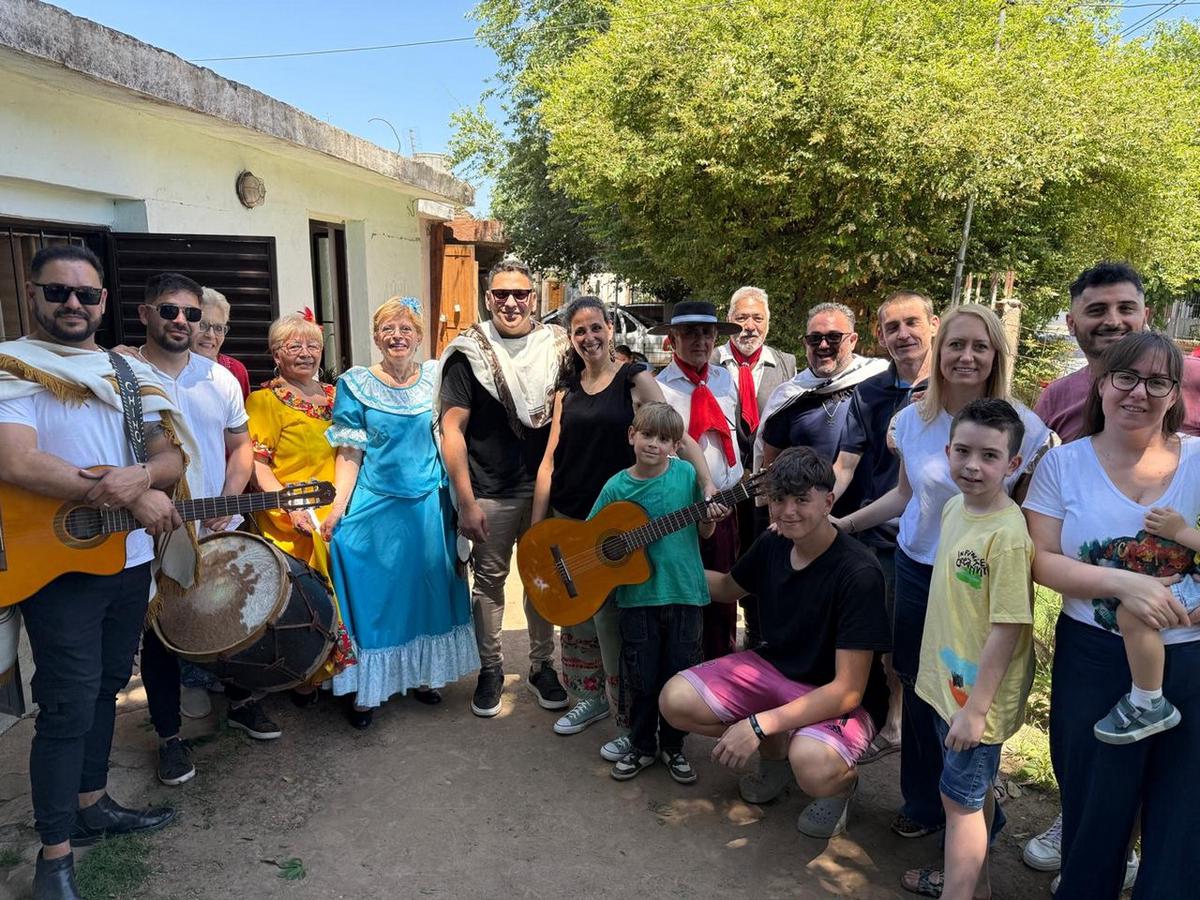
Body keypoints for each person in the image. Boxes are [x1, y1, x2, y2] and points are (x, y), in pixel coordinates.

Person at [0, 245, 192, 900]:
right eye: (59, 293)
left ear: (104, 302)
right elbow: (18, 463)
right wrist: (129, 492)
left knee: (109, 684)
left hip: (128, 558)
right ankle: (54, 855)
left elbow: (168, 457)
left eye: (86, 294)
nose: (73, 305)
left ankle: (92, 802)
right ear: (35, 296)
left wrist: (147, 477)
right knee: (67, 703)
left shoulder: (128, 375)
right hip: (57, 568)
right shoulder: (13, 368)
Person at [832, 304, 1052, 857]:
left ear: (996, 354)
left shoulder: (1027, 428)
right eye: (956, 344)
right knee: (918, 684)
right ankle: (925, 805)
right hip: (917, 568)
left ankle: (973, 815)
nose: (967, 356)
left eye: (980, 346)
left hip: (978, 587)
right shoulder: (912, 419)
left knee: (964, 699)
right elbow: (906, 496)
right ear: (939, 348)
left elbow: (1024, 520)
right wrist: (844, 526)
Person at [1023, 331, 1200, 899]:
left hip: (1191, 662)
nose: (1139, 393)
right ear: (1100, 384)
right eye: (1125, 378)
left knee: (1182, 817)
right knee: (1096, 809)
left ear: (1175, 393)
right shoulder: (1063, 466)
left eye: (1157, 382)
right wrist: (1125, 583)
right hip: (1095, 662)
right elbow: (1041, 560)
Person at [660, 446, 891, 838]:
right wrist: (659, 568)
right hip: (774, 668)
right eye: (780, 499)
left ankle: (841, 787)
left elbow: (848, 691)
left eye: (802, 500)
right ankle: (776, 756)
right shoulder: (773, 543)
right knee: (674, 701)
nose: (788, 511)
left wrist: (758, 724)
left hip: (836, 693)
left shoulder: (859, 572)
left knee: (814, 764)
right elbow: (729, 587)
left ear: (828, 501)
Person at [532, 297, 714, 757]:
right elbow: (550, 459)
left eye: (596, 327)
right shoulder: (566, 390)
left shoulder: (635, 378)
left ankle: (627, 718)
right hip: (570, 518)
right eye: (579, 331)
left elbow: (677, 433)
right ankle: (589, 699)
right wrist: (537, 530)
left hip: (622, 529)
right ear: (571, 339)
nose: (589, 338)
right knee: (578, 623)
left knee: (617, 627)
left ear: (611, 329)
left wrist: (708, 485)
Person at [124, 273, 276, 786]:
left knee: (233, 614)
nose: (182, 322)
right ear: (146, 313)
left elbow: (241, 446)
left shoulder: (220, 380)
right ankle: (169, 738)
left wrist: (231, 495)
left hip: (216, 520)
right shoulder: (120, 375)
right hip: (146, 532)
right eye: (169, 311)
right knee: (163, 632)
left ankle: (242, 700)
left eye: (192, 315)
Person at [322, 298, 479, 729]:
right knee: (372, 597)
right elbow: (350, 451)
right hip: (377, 506)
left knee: (425, 594)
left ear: (418, 335)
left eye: (405, 329)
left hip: (429, 505)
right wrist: (337, 508)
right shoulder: (355, 384)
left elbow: (452, 435)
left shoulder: (436, 376)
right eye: (388, 329)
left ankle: (424, 676)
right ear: (375, 337)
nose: (397, 337)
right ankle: (366, 691)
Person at [435, 257, 569, 718]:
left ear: (534, 298)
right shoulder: (468, 353)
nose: (511, 303)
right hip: (490, 491)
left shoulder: (558, 347)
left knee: (542, 579)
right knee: (489, 584)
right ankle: (490, 669)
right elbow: (452, 430)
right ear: (487, 299)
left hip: (545, 490)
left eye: (520, 294)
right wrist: (467, 501)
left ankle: (540, 667)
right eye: (500, 295)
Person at [912, 399, 1035, 900]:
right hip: (948, 684)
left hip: (977, 702)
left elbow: (1008, 628)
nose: (972, 465)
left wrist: (977, 711)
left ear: (1013, 464)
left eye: (989, 456)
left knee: (958, 801)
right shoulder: (952, 507)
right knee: (971, 793)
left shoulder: (1007, 536)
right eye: (963, 451)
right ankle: (977, 889)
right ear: (947, 451)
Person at [586, 402, 722, 783]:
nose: (653, 444)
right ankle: (643, 745)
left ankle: (674, 747)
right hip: (637, 598)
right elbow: (591, 541)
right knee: (641, 677)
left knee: (678, 674)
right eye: (647, 435)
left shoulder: (686, 476)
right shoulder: (616, 486)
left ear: (675, 446)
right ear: (632, 435)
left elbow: (704, 531)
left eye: (664, 439)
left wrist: (710, 521)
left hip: (684, 594)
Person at [831, 291, 939, 764]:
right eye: (892, 327)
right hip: (879, 534)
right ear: (879, 336)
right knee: (884, 633)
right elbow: (846, 464)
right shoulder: (869, 392)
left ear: (933, 324)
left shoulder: (956, 385)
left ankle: (916, 728)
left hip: (945, 542)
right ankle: (890, 718)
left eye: (912, 322)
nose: (903, 334)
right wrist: (822, 514)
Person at [246, 311, 354, 693]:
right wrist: (290, 506)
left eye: (313, 345)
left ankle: (351, 674)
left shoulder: (336, 396)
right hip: (290, 509)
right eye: (294, 346)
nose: (305, 353)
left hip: (338, 501)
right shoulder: (264, 401)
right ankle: (311, 671)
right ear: (277, 355)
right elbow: (257, 465)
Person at [653, 301, 743, 660]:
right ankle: (686, 670)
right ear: (672, 339)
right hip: (685, 507)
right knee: (687, 593)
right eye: (689, 333)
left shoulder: (724, 380)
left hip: (729, 500)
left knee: (724, 591)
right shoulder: (660, 388)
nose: (700, 341)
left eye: (707, 333)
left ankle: (721, 666)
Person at [712, 286, 797, 649]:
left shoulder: (788, 364)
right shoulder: (711, 360)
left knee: (764, 557)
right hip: (724, 486)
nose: (749, 326)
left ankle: (760, 637)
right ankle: (721, 641)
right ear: (729, 321)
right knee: (726, 560)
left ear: (769, 323)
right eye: (741, 318)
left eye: (757, 318)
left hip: (767, 486)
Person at [1035, 261, 1200, 442]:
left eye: (1126, 309)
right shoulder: (1057, 398)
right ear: (1071, 324)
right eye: (1097, 311)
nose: (1113, 321)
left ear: (1145, 317)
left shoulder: (1193, 377)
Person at [755, 302, 888, 480]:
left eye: (834, 337)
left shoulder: (881, 381)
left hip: (875, 504)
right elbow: (771, 467)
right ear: (805, 343)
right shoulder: (788, 396)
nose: (824, 345)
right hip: (809, 505)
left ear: (853, 340)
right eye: (815, 339)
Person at [194, 287, 250, 399]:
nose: (210, 335)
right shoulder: (172, 367)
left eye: (218, 328)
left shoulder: (236, 370)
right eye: (202, 325)